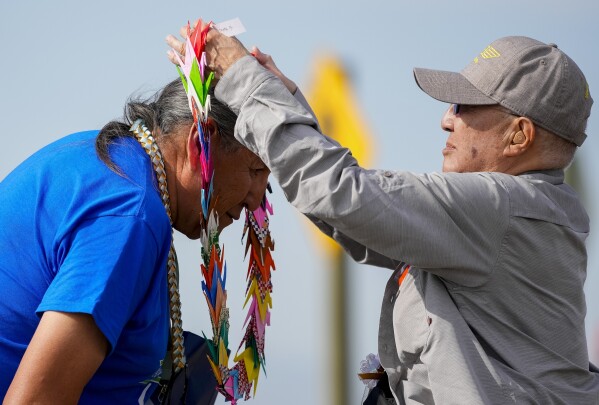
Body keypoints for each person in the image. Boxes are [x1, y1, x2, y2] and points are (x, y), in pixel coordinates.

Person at [168, 23, 599, 404]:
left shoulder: (497, 208)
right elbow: (360, 221)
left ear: (519, 136)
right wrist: (284, 101)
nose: (447, 120)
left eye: (465, 107)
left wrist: (246, 82)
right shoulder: (529, 212)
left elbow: (341, 194)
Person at [0, 78, 270, 403]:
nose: (256, 201)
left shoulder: (108, 161)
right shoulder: (132, 216)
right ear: (201, 144)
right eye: (255, 170)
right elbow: (36, 399)